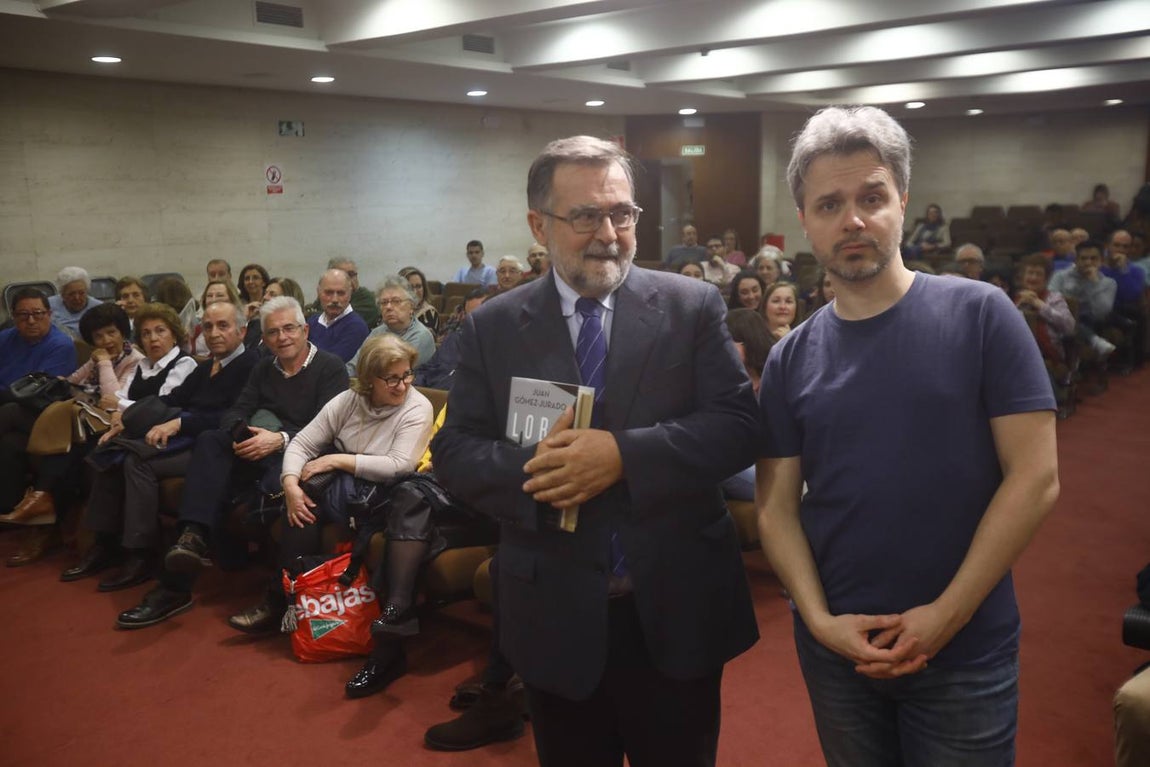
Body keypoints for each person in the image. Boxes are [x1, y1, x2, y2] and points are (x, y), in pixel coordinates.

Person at [431, 135, 759, 767]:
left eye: (623, 213)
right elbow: (454, 451)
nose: (609, 232)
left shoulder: (691, 306)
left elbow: (738, 426)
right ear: (539, 224)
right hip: (554, 608)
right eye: (585, 216)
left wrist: (623, 456)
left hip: (675, 602)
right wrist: (545, 472)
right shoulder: (493, 326)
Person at [756, 105, 1059, 767]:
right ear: (804, 221)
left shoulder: (981, 313)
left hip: (964, 647)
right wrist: (816, 619)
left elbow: (1036, 478)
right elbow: (776, 508)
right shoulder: (790, 358)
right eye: (829, 204)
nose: (853, 220)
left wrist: (944, 615)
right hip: (840, 652)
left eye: (871, 197)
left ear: (904, 202)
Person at [116, 297, 348, 629]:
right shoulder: (263, 367)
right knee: (212, 442)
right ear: (263, 339)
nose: (282, 337)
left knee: (292, 499)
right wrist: (247, 432)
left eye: (289, 329)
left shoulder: (330, 367)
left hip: (305, 455)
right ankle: (189, 546)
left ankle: (276, 598)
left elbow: (330, 430)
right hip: (258, 447)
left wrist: (279, 438)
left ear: (305, 330)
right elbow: (234, 412)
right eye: (273, 332)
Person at [227, 335, 434, 698]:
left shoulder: (416, 407)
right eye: (393, 378)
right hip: (343, 490)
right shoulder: (349, 400)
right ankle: (286, 602)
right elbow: (304, 443)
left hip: (383, 494)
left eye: (407, 375)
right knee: (302, 505)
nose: (403, 385)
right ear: (369, 379)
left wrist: (337, 460)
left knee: (324, 501)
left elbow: (400, 466)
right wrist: (289, 484)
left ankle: (372, 638)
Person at [59, 300, 257, 589]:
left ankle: (141, 553)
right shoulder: (207, 367)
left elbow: (233, 416)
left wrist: (180, 423)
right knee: (112, 452)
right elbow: (172, 400)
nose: (214, 333)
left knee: (135, 461)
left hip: (215, 449)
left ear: (242, 330)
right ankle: (105, 543)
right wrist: (128, 419)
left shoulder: (251, 364)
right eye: (209, 326)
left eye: (223, 326)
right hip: (188, 438)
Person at [0, 303, 138, 566]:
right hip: (77, 423)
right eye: (98, 336)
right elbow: (71, 381)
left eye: (111, 333)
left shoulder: (134, 361)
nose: (106, 340)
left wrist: (105, 362)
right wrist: (72, 380)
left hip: (104, 428)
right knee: (11, 441)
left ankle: (40, 512)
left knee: (10, 412)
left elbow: (113, 399)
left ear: (122, 332)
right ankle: (30, 511)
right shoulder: (95, 358)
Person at [347, 278, 436, 376]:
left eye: (396, 301)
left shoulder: (421, 336)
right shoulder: (376, 333)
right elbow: (354, 365)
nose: (388, 307)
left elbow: (393, 373)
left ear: (411, 306)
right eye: (384, 302)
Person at [414, 290, 487, 390]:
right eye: (469, 315)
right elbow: (425, 369)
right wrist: (419, 387)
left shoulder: (497, 352)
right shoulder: (452, 339)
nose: (473, 321)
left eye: (479, 314)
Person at [305, 268, 370, 363]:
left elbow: (331, 365)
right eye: (328, 293)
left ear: (350, 294)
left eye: (341, 293)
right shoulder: (312, 321)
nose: (335, 299)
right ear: (318, 292)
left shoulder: (357, 327)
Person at [189, 279, 242, 357]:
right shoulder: (196, 329)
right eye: (209, 296)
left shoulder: (239, 327)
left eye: (219, 295)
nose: (213, 299)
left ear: (231, 299)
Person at [48, 266, 104, 337]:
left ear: (87, 291)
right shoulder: (48, 305)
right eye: (71, 294)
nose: (77, 298)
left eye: (81, 293)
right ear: (62, 294)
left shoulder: (99, 308)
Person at [328, 257, 381, 328]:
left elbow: (341, 320)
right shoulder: (327, 296)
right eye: (343, 275)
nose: (348, 279)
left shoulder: (366, 299)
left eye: (351, 275)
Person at [399, 266, 439, 334]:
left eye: (418, 286)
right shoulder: (389, 309)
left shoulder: (429, 313)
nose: (415, 292)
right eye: (409, 287)